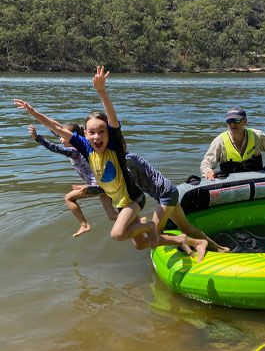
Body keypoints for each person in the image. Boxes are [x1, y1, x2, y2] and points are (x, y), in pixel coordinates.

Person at [14, 66, 159, 249]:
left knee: (117, 234)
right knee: (139, 245)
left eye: (101, 132)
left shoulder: (114, 148)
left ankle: (150, 225)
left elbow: (113, 121)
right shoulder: (85, 148)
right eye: (92, 132)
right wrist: (33, 113)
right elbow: (58, 128)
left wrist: (101, 91)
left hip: (133, 198)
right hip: (120, 202)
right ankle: (181, 240)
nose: (97, 137)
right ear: (85, 134)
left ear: (108, 134)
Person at [126, 152, 230, 262]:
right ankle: (220, 249)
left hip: (165, 195)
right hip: (168, 192)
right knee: (186, 228)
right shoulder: (126, 160)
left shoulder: (127, 159)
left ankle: (198, 243)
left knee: (155, 235)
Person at [28, 123, 118, 237]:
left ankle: (84, 225)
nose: (60, 139)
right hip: (104, 184)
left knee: (69, 198)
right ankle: (138, 221)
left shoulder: (74, 151)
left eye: (62, 137)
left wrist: (37, 138)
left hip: (98, 186)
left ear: (71, 137)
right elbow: (59, 132)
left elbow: (55, 148)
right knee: (112, 215)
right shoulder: (83, 145)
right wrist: (45, 122)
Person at [200, 107, 265, 180]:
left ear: (245, 121)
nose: (232, 125)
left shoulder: (257, 136)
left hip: (257, 180)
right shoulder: (219, 141)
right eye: (229, 121)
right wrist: (208, 171)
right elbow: (206, 163)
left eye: (236, 121)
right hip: (231, 184)